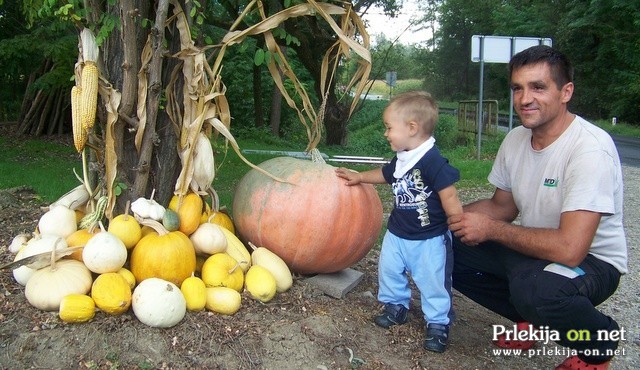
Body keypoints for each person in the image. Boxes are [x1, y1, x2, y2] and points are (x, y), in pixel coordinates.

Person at [448, 45, 627, 370]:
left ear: (565, 92)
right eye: (518, 88)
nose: (524, 98)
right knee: (445, 245)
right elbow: (501, 207)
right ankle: (532, 319)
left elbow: (571, 249)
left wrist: (490, 230)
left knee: (539, 291)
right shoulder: (516, 139)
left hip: (592, 262)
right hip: (536, 251)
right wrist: (446, 216)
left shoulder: (589, 150)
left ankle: (599, 343)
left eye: (538, 87)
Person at [335, 91, 463, 353]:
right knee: (390, 270)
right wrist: (359, 176)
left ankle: (438, 323)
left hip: (429, 237)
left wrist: (456, 221)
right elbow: (386, 173)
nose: (386, 133)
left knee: (433, 280)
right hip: (397, 233)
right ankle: (396, 306)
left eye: (389, 128)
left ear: (412, 128)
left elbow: (448, 193)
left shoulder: (432, 160)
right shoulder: (403, 158)